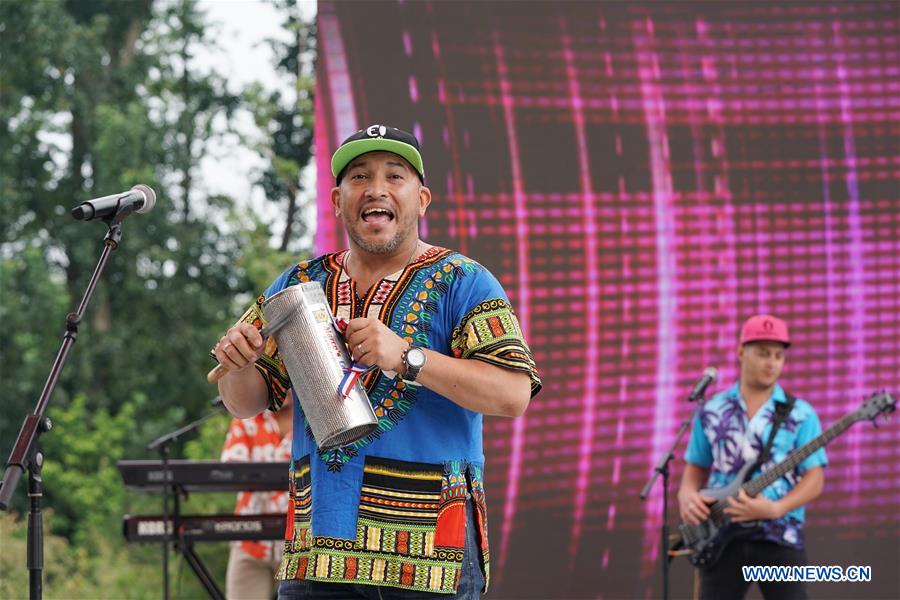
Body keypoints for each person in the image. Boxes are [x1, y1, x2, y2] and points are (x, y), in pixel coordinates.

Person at [212, 124, 541, 599]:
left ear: (422, 199)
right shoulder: (298, 284)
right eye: (360, 177)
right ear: (337, 198)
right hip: (318, 552)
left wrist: (408, 357)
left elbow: (512, 395)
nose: (377, 189)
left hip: (431, 558)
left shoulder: (465, 281)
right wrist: (239, 364)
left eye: (395, 176)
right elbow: (245, 403)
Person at [678, 314, 827, 600]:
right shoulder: (711, 410)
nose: (771, 363)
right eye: (762, 353)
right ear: (740, 352)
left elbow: (815, 478)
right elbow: (696, 467)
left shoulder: (801, 414)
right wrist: (686, 494)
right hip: (721, 536)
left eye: (778, 356)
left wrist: (776, 508)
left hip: (780, 536)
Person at [220, 397, 293, 600]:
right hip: (250, 542)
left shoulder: (312, 422)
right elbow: (228, 470)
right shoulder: (247, 419)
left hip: (300, 542)